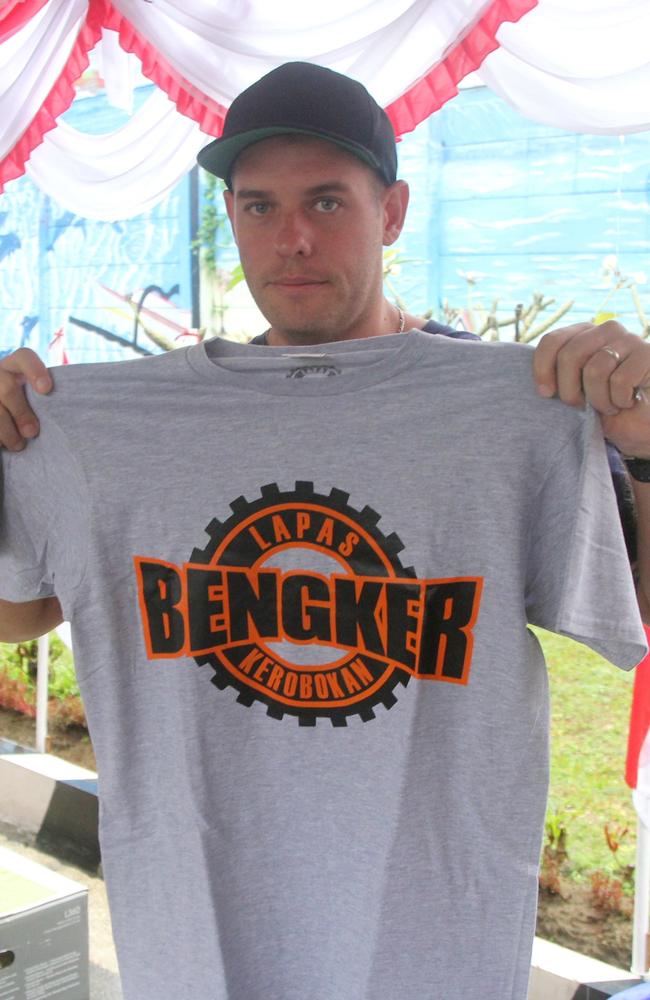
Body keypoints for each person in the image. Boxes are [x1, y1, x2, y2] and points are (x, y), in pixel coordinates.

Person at [0, 62, 648, 1000]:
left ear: (392, 212)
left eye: (326, 201)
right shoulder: (106, 426)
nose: (292, 239)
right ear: (229, 217)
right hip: (198, 940)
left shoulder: (517, 408)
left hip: (430, 943)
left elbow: (632, 621)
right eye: (258, 207)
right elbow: (19, 614)